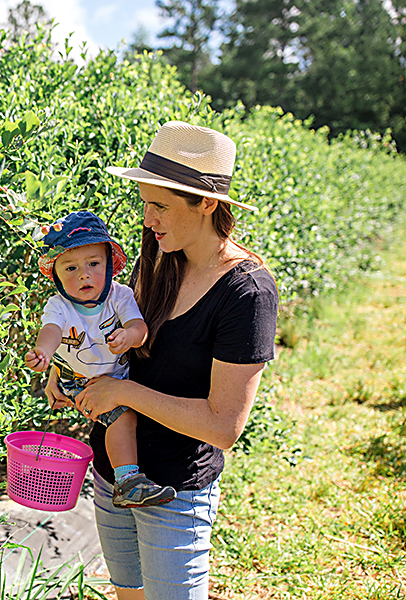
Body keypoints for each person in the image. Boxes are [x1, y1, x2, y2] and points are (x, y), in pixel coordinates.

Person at [49, 121, 279, 599]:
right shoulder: (158, 253)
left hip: (176, 489)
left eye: (161, 206)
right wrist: (69, 367)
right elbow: (105, 326)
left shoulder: (245, 293)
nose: (148, 219)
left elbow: (224, 426)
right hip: (115, 475)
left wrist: (123, 392)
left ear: (208, 204)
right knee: (128, 592)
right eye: (146, 203)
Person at [24, 211, 176, 508]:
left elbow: (139, 327)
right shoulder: (59, 305)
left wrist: (129, 336)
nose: (83, 274)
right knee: (123, 415)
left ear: (109, 266)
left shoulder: (119, 296)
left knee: (132, 410)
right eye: (70, 268)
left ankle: (126, 478)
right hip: (77, 379)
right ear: (56, 276)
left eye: (93, 264)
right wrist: (43, 352)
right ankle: (127, 481)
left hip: (116, 377)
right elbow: (51, 331)